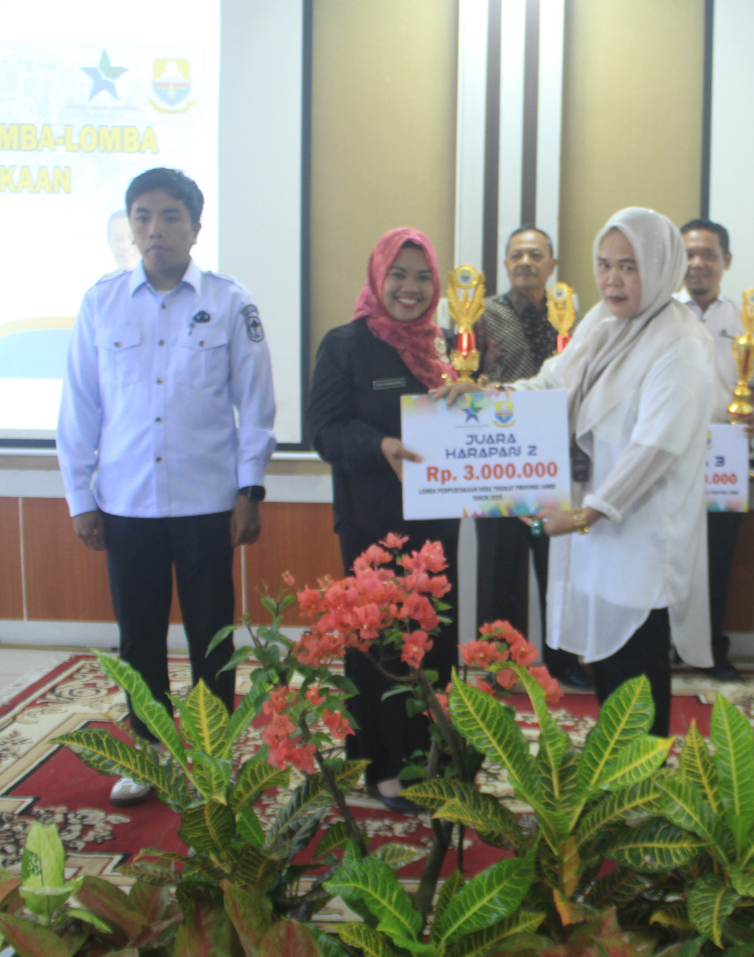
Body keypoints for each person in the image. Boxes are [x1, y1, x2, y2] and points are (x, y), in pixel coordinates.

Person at [438, 207, 717, 737]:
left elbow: (654, 448)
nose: (612, 279)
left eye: (629, 266)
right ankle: (614, 776)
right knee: (609, 671)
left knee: (636, 675)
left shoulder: (681, 341)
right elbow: (552, 383)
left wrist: (588, 514)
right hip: (595, 532)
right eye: (604, 264)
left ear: (661, 266)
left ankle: (640, 779)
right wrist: (491, 395)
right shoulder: (603, 324)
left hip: (639, 538)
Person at [57, 167, 275, 807]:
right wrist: (80, 497)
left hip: (207, 502)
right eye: (143, 216)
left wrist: (250, 490)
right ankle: (148, 752)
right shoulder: (101, 302)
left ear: (195, 227)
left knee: (212, 636)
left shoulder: (231, 301)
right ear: (131, 227)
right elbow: (80, 406)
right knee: (139, 636)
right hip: (126, 503)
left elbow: (256, 405)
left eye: (171, 216)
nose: (156, 228)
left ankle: (212, 756)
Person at [307, 227, 462, 814]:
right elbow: (324, 431)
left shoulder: (446, 348)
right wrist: (380, 447)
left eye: (422, 276)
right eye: (398, 274)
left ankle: (433, 755)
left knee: (434, 640)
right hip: (372, 526)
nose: (410, 288)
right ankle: (384, 764)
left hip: (437, 525)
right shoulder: (345, 344)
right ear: (378, 276)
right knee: (380, 645)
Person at [470, 226, 589, 692]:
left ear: (551, 264)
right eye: (517, 254)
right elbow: (466, 377)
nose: (526, 262)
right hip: (499, 462)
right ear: (505, 264)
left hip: (558, 465)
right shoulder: (482, 315)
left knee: (558, 566)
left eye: (536, 254)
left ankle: (564, 661)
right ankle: (499, 663)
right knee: (498, 567)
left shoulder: (573, 320)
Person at [679, 219, 754, 681]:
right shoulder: (660, 314)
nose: (698, 263)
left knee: (718, 558)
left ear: (726, 261)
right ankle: (666, 646)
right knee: (670, 556)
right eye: (689, 254)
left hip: (725, 457)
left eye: (708, 254)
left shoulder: (743, 320)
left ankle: (711, 652)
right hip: (670, 456)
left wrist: (753, 415)